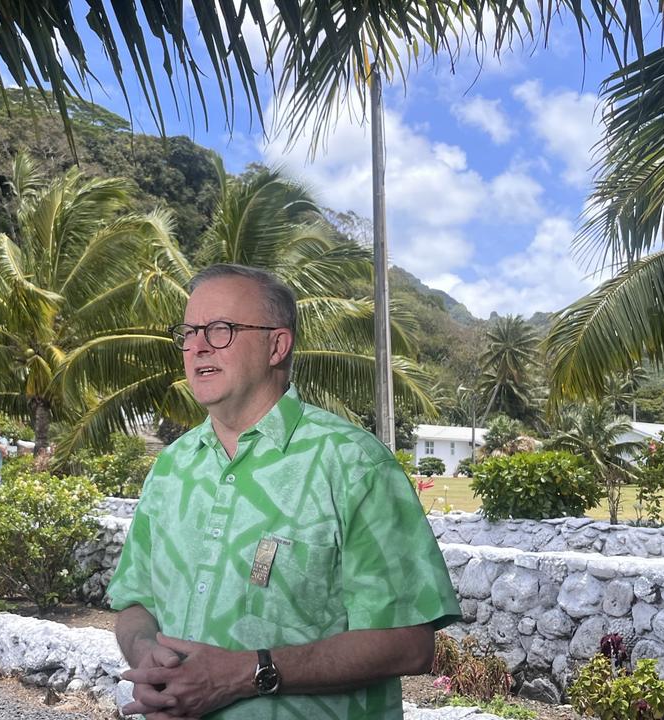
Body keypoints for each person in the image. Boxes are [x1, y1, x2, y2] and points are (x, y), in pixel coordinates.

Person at [106, 264, 460, 719]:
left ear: (277, 345)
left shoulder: (353, 464)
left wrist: (245, 673)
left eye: (220, 330)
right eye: (189, 332)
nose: (196, 347)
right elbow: (135, 600)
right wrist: (146, 657)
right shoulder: (172, 467)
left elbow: (409, 642)